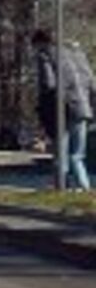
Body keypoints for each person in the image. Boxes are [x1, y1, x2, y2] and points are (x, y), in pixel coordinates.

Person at [34, 29, 94, 190]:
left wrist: (42, 106)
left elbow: (48, 84)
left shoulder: (45, 55)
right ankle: (85, 188)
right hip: (83, 109)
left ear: (40, 43)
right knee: (77, 155)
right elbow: (91, 83)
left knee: (61, 153)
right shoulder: (77, 55)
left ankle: (61, 187)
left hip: (64, 109)